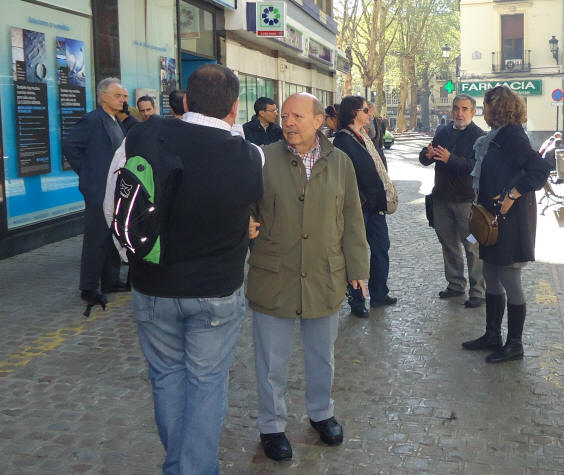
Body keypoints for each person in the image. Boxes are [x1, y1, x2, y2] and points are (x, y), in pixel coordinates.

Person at [103, 64, 264, 474]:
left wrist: (133, 259)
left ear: (186, 101)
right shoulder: (250, 155)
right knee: (207, 383)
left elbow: (115, 208)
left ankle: (181, 467)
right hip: (217, 290)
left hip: (153, 285)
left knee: (166, 378)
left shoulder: (140, 135)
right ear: (234, 108)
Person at [247, 93, 368, 461]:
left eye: (297, 116)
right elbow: (242, 204)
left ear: (319, 121)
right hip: (275, 275)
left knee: (322, 355)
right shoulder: (262, 158)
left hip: (323, 275)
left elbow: (351, 218)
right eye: (284, 116)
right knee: (271, 361)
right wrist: (244, 222)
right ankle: (271, 426)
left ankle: (321, 413)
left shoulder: (341, 162)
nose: (289, 122)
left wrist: (358, 268)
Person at [461, 85, 551, 363]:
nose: (482, 110)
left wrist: (513, 193)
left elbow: (540, 169)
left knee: (510, 278)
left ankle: (514, 344)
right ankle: (492, 335)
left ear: (498, 108)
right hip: (492, 219)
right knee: (490, 272)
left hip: (510, 221)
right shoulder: (495, 137)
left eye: (485, 105)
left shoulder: (512, 137)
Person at [61, 77, 135, 308]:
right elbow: (69, 145)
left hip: (113, 191)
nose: (123, 99)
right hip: (98, 191)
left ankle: (111, 280)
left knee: (112, 236)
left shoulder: (115, 121)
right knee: (96, 240)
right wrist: (86, 172)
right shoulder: (93, 120)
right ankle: (89, 288)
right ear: (103, 96)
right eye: (118, 96)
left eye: (124, 96)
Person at [333, 95, 397, 317]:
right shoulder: (343, 140)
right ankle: (357, 300)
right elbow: (344, 176)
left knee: (381, 248)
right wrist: (361, 199)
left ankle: (379, 293)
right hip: (358, 207)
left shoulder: (364, 136)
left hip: (375, 206)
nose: (369, 114)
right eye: (365, 111)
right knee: (355, 253)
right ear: (354, 113)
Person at [419, 94, 486, 307]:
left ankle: (477, 291)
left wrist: (451, 159)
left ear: (473, 112)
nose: (459, 113)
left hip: (467, 202)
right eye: (456, 108)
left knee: (472, 246)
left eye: (464, 109)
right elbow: (424, 157)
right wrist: (427, 155)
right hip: (441, 200)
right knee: (448, 244)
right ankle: (456, 284)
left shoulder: (479, 137)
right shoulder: (443, 132)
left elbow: (478, 167)